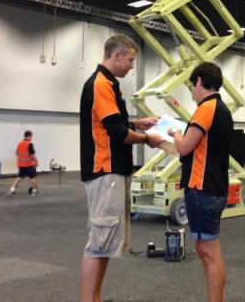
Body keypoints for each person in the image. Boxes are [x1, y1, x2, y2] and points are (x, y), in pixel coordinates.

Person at [80, 34, 163, 302]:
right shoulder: (101, 84)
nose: (131, 66)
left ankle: (95, 298)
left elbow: (117, 123)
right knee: (98, 242)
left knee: (104, 243)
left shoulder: (110, 85)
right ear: (116, 56)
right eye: (130, 60)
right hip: (105, 171)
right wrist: (148, 139)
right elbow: (117, 132)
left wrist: (140, 124)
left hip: (112, 171)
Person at [169, 62, 232, 302]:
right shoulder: (222, 109)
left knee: (210, 252)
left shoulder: (206, 108)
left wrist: (175, 133)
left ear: (198, 82)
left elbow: (185, 146)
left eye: (192, 86)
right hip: (213, 188)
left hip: (202, 189)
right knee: (206, 250)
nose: (192, 92)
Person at [9, 130, 39, 196]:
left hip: (20, 164)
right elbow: (32, 155)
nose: (32, 138)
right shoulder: (29, 144)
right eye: (31, 136)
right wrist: (36, 161)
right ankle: (34, 191)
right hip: (28, 164)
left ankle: (12, 189)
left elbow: (17, 153)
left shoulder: (20, 144)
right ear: (29, 136)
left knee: (20, 176)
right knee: (33, 177)